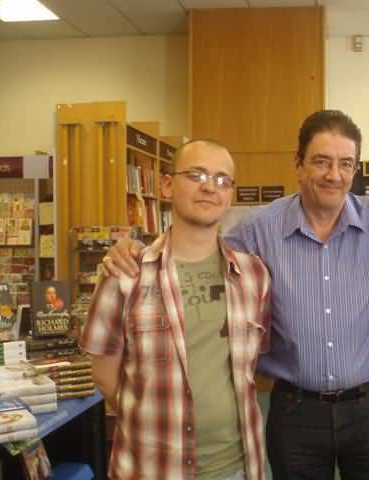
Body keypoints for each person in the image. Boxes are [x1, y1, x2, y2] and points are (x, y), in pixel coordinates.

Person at [102, 110, 369, 480]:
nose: (334, 174)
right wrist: (135, 249)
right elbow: (197, 251)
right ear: (299, 164)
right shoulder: (258, 230)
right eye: (322, 162)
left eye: (346, 164)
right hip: (294, 412)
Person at [80, 140, 271, 480]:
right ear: (167, 185)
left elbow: (249, 367)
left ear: (230, 197)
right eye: (196, 174)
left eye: (222, 179)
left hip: (236, 468)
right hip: (151, 469)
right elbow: (104, 374)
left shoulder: (253, 275)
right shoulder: (126, 273)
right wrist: (150, 415)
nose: (210, 187)